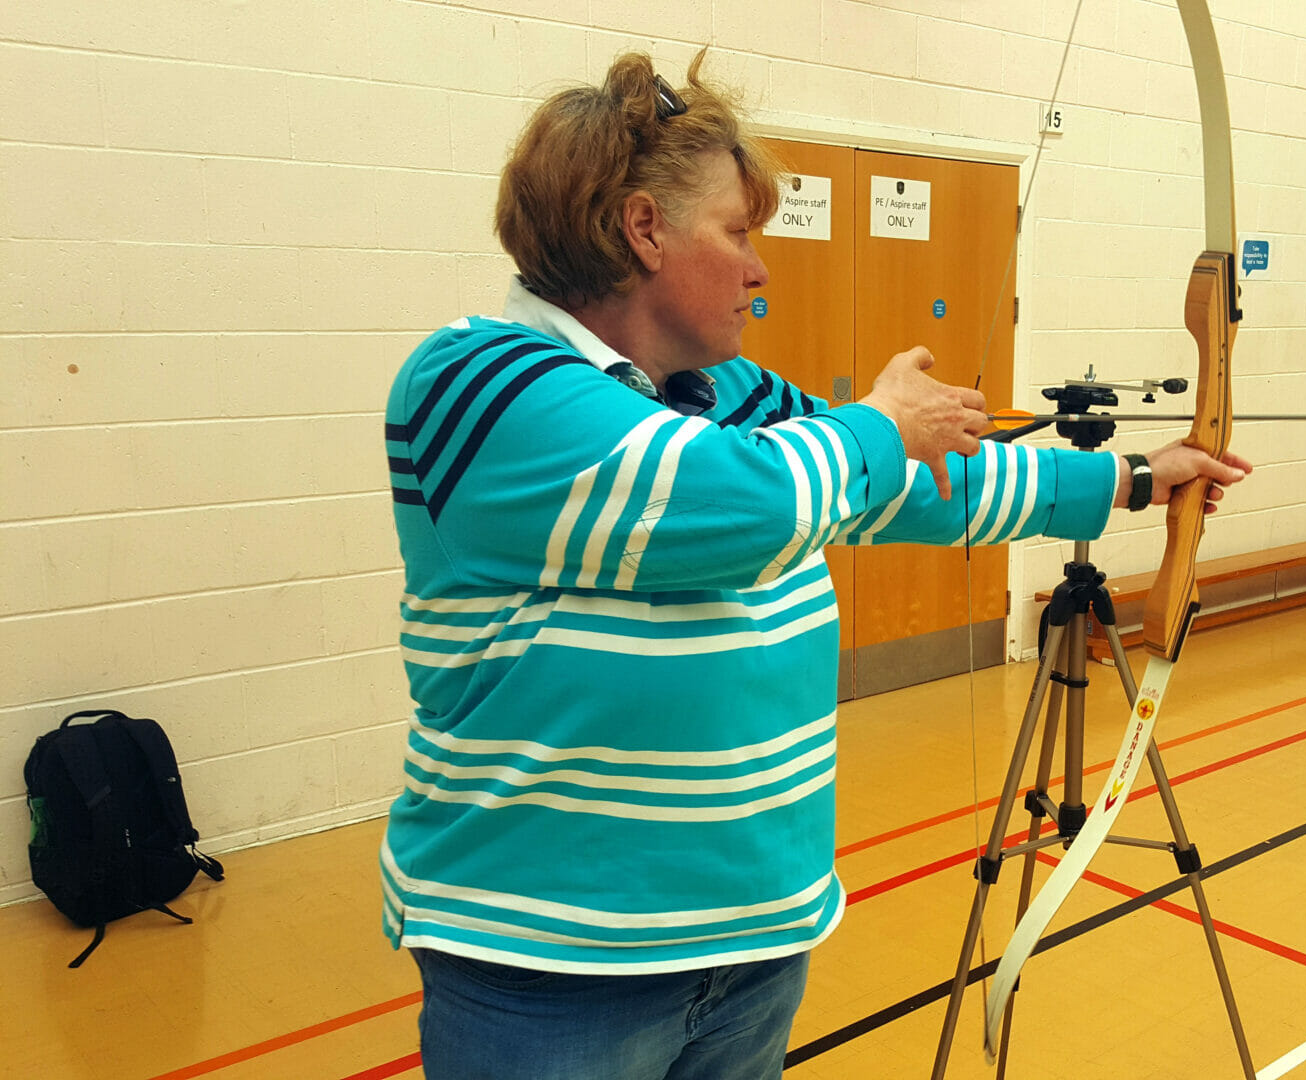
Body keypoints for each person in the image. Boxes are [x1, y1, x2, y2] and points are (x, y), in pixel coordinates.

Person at [377, 49, 1251, 1080]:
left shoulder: (719, 389)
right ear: (643, 228)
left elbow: (911, 487)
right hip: (551, 969)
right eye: (738, 233)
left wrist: (1135, 482)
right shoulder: (480, 382)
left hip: (751, 946)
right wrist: (880, 424)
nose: (759, 268)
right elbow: (744, 500)